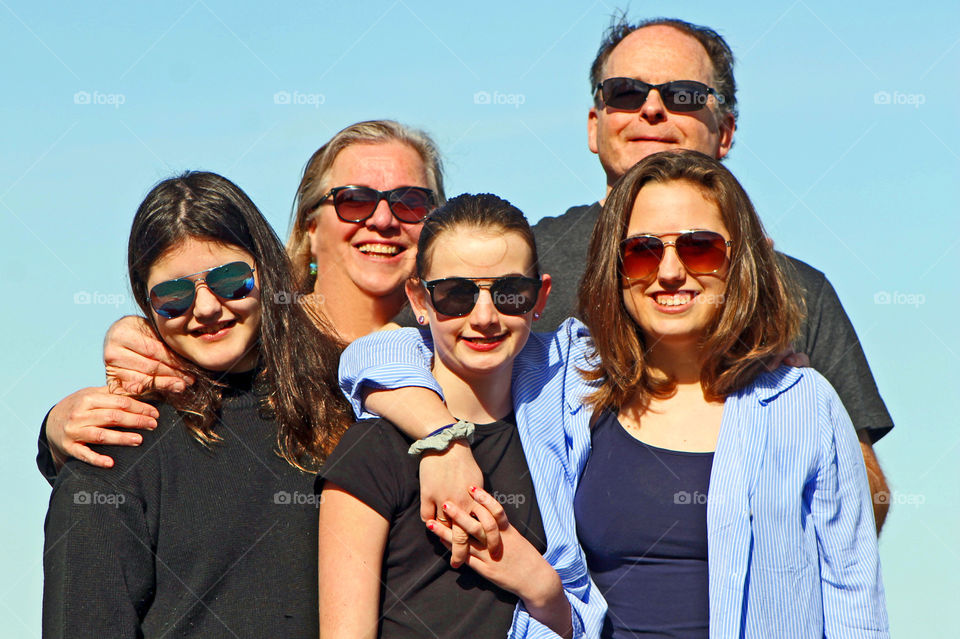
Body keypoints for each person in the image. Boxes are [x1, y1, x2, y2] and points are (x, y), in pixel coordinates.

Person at [338, 151, 889, 637]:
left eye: (699, 249)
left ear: (737, 260)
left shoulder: (802, 405)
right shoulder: (576, 379)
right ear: (615, 266)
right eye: (643, 252)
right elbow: (377, 353)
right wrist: (444, 441)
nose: (670, 273)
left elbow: (854, 603)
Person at [536, 16, 891, 529]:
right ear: (596, 125)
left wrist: (802, 409)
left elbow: (866, 500)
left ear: (724, 131)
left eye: (682, 95)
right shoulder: (523, 264)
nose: (651, 108)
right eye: (626, 92)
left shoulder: (795, 290)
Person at [42, 171, 352, 638]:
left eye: (230, 280)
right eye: (174, 296)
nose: (206, 307)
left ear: (266, 270)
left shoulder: (351, 406)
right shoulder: (114, 451)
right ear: (146, 305)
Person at [36, 119, 444, 473]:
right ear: (311, 226)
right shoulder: (239, 338)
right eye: (355, 200)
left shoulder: (468, 353)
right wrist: (54, 431)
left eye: (411, 202)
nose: (384, 220)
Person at [317, 194, 603, 638]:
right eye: (456, 295)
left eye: (510, 293)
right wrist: (444, 439)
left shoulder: (570, 419)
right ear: (419, 299)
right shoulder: (374, 448)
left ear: (541, 296)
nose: (485, 316)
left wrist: (543, 589)